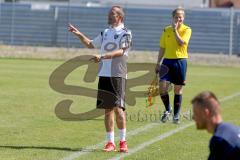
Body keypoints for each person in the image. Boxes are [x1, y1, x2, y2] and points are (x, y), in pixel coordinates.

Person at [68, 6, 132, 152]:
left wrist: (102, 56)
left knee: (119, 109)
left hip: (118, 74)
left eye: (113, 14)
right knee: (107, 110)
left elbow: (121, 51)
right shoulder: (105, 32)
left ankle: (123, 141)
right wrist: (79, 34)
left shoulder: (126, 33)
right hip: (104, 74)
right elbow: (91, 44)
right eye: (109, 13)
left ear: (120, 17)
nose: (109, 15)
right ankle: (110, 142)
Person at [155, 7, 192, 124]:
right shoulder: (166, 30)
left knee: (177, 89)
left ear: (183, 18)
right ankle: (168, 109)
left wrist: (175, 30)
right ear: (173, 18)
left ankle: (176, 115)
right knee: (162, 88)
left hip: (180, 61)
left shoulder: (187, 30)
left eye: (180, 17)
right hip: (167, 62)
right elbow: (162, 47)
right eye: (176, 17)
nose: (178, 19)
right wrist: (158, 62)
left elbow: (181, 42)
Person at [191, 91, 240, 160]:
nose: (193, 117)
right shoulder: (236, 129)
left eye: (195, 113)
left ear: (206, 113)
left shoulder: (219, 140)